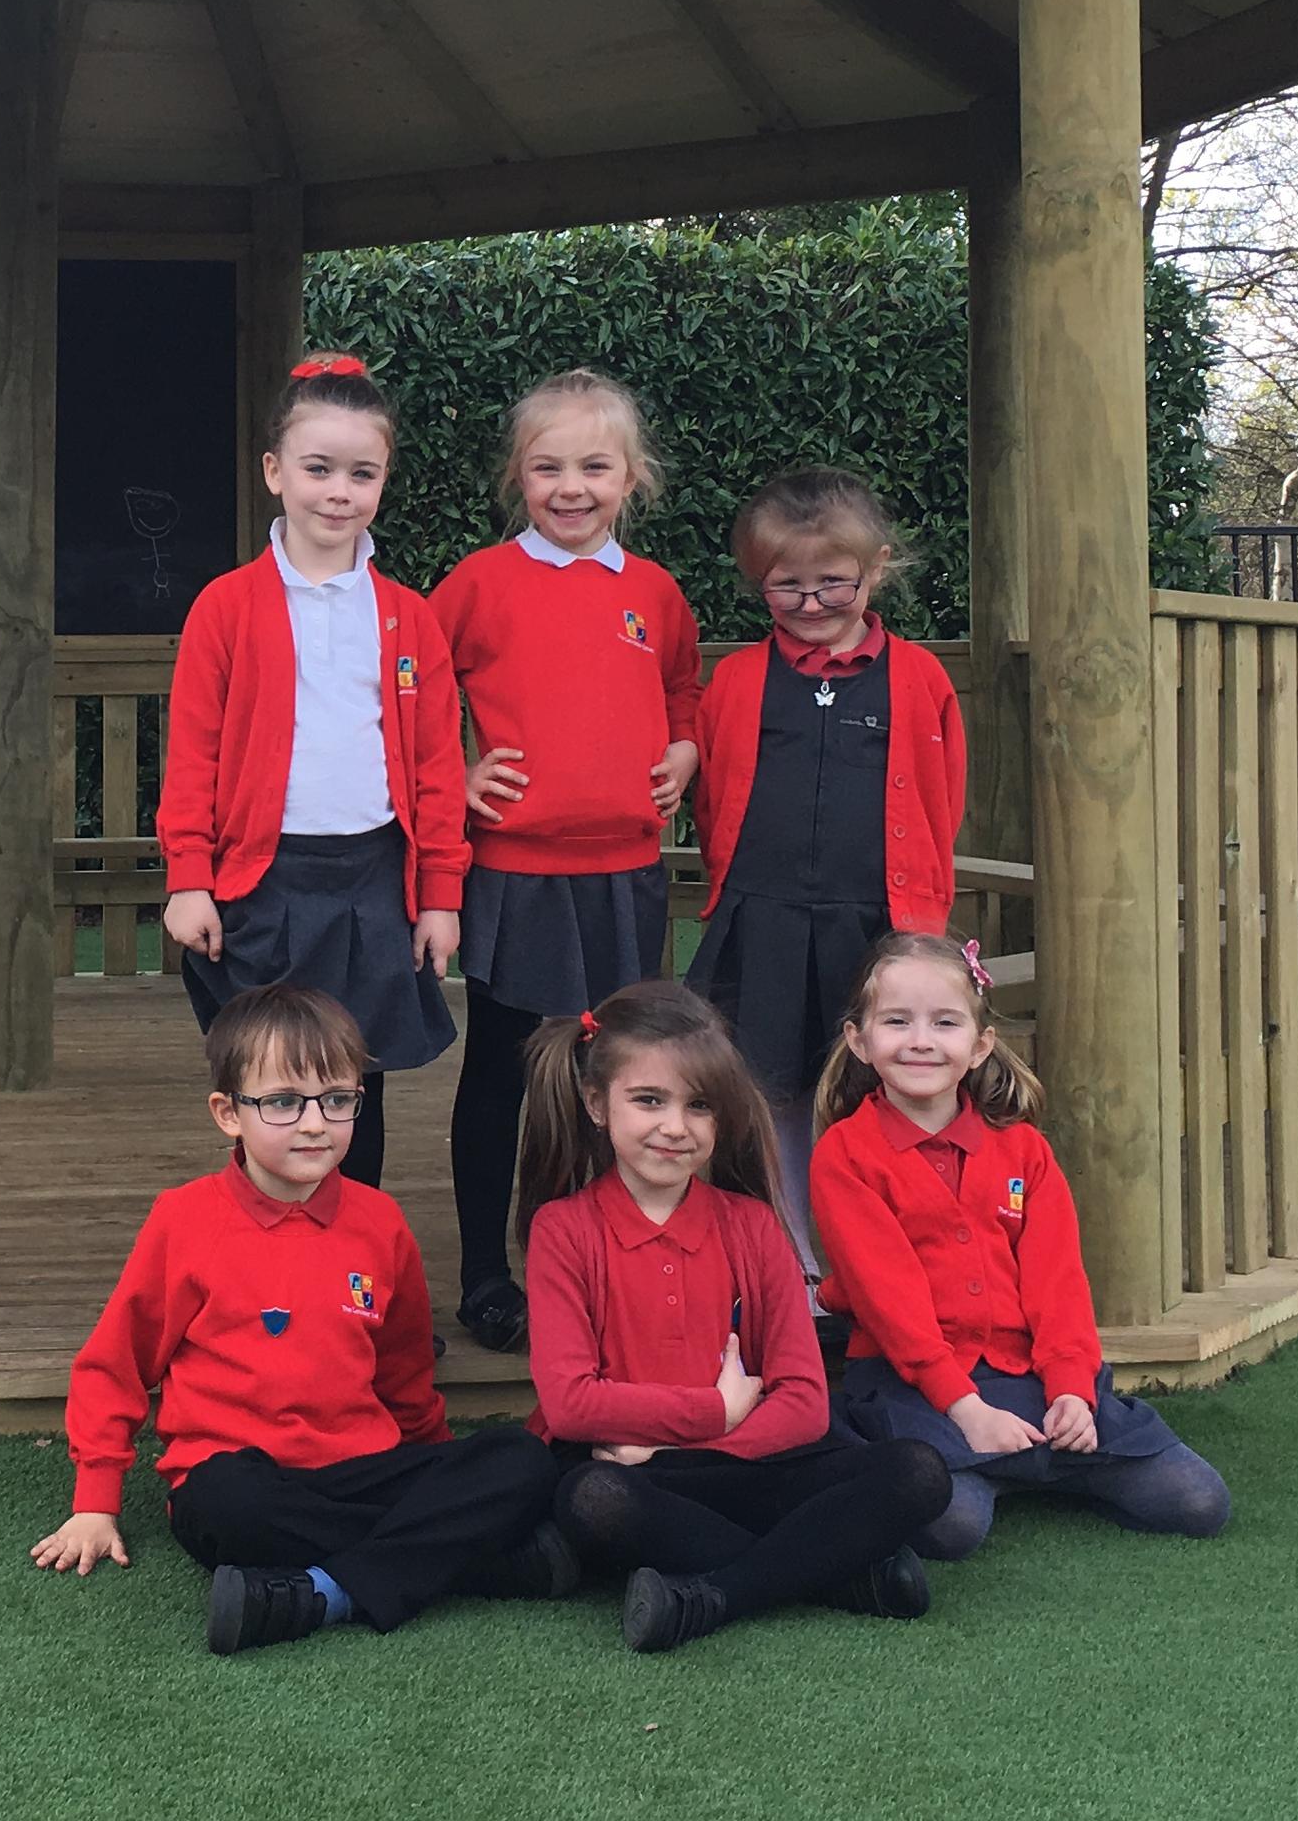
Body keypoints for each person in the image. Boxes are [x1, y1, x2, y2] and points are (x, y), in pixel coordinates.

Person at [31, 985, 570, 1654]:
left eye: (337, 1100)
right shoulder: (183, 1220)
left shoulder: (381, 1223)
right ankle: (477, 1563)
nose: (315, 1123)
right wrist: (95, 1502)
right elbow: (115, 1364)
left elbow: (404, 1373)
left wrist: (440, 1470)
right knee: (227, 1502)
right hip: (244, 1481)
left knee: (521, 1460)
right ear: (228, 1114)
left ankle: (319, 1594)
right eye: (283, 1102)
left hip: (362, 1470)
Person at [518, 980, 951, 1653]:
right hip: (635, 1477)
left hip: (734, 1461)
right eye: (649, 1100)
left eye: (699, 1106)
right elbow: (573, 1406)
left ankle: (719, 1594)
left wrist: (693, 1444)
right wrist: (712, 1412)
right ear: (597, 1105)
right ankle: (833, 1574)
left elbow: (804, 1401)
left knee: (919, 1473)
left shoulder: (752, 1226)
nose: (675, 1126)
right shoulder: (563, 1231)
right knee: (593, 1501)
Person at [431, 371, 702, 1353]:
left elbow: (682, 690)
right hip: (514, 870)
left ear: (634, 478)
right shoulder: (479, 584)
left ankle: (610, 1261)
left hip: (625, 872)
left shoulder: (656, 594)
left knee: (618, 1073)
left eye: (595, 465)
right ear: (518, 476)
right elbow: (409, 685)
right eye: (547, 467)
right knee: (503, 1073)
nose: (570, 485)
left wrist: (686, 749)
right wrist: (454, 772)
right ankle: (485, 1275)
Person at [807, 935, 1233, 1559]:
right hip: (920, 1382)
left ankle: (1028, 1457)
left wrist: (1072, 1393)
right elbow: (888, 1299)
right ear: (859, 1040)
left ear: (980, 1046)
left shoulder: (1025, 1152)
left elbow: (1058, 1281)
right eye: (896, 1021)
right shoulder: (844, 1155)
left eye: (945, 1022)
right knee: (949, 1528)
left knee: (1199, 1501)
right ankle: (962, 1458)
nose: (921, 1040)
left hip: (1031, 1374)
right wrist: (967, 1411)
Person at [157, 354, 468, 1197]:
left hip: (372, 886)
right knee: (271, 1090)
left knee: (350, 1093)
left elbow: (438, 770)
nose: (339, 491)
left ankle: (349, 1282)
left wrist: (438, 895)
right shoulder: (225, 607)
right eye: (318, 468)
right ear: (275, 473)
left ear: (383, 481)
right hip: (263, 885)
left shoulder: (410, 616)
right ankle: (268, 1272)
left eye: (362, 473)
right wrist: (191, 877)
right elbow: (192, 755)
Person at [685, 466, 966, 1215]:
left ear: (876, 568)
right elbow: (713, 799)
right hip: (763, 921)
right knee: (763, 1093)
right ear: (759, 581)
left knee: (873, 1093)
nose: (811, 604)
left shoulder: (920, 678)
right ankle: (790, 1265)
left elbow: (942, 799)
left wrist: (921, 927)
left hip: (873, 925)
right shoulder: (738, 680)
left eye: (834, 584)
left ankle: (878, 1259)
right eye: (788, 587)